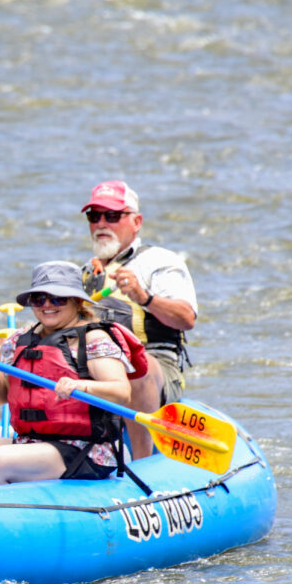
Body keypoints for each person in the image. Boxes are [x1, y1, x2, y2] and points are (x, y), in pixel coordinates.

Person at [0, 261, 134, 485]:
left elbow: (122, 392)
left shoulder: (92, 340)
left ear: (77, 301)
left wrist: (83, 386)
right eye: (39, 299)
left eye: (57, 298)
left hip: (82, 448)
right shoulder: (19, 339)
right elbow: (0, 396)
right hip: (29, 442)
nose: (47, 305)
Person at [78, 180, 197, 459]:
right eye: (94, 217)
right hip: (97, 365)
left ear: (136, 221)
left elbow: (186, 318)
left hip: (154, 370)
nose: (102, 224)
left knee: (134, 364)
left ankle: (144, 461)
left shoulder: (159, 262)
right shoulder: (85, 272)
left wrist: (145, 298)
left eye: (112, 216)